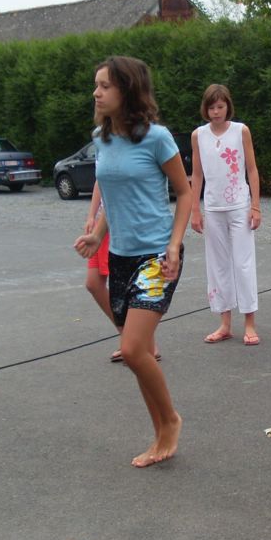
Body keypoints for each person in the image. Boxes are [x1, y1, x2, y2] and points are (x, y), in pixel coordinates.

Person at [74, 56, 191, 468]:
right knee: (135, 354)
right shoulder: (101, 139)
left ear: (127, 90)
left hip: (156, 254)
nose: (97, 92)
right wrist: (97, 235)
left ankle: (171, 421)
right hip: (120, 256)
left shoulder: (157, 138)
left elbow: (185, 192)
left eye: (104, 85)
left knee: (132, 349)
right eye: (96, 85)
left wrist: (175, 245)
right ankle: (160, 432)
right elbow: (112, 195)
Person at [189, 84, 262, 345]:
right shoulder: (198, 135)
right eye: (211, 107)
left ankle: (250, 323)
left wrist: (255, 205)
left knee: (243, 263)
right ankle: (225, 323)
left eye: (220, 106)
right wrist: (194, 210)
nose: (216, 111)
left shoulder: (240, 131)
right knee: (217, 265)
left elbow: (252, 169)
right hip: (213, 207)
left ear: (227, 106)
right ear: (205, 109)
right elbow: (196, 174)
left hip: (239, 205)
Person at [84, 182, 160, 364]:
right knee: (93, 283)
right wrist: (91, 215)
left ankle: (145, 343)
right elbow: (100, 180)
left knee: (128, 288)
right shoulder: (103, 153)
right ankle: (128, 336)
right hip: (102, 223)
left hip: (120, 223)